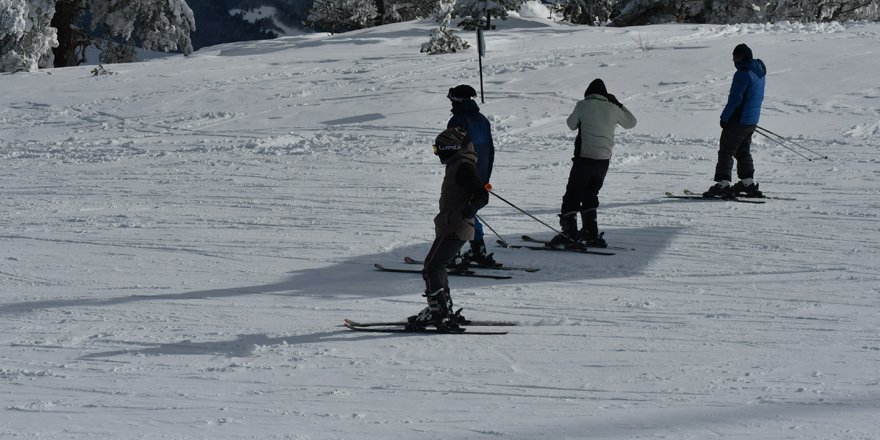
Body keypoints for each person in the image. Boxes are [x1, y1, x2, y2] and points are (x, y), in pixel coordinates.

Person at [407, 126, 489, 331]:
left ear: (450, 147)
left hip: (455, 225)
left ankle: (439, 313)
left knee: (431, 267)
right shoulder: (459, 164)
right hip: (452, 224)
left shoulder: (463, 166)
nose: (437, 154)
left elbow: (481, 194)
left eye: (438, 149)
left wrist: (471, 209)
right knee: (437, 266)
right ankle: (443, 309)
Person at [550, 78, 637, 248]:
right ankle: (590, 232)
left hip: (584, 159)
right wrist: (619, 104)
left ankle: (569, 234)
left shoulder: (583, 105)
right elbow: (631, 123)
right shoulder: (613, 107)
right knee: (591, 194)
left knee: (573, 194)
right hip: (603, 162)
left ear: (588, 93)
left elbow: (570, 125)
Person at [704, 43, 766, 198]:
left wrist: (725, 118)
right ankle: (747, 183)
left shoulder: (743, 74)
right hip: (750, 120)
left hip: (738, 120)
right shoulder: (758, 72)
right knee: (742, 151)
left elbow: (735, 99)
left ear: (744, 57)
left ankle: (723, 185)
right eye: (733, 56)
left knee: (726, 150)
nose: (734, 60)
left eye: (736, 56)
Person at [445, 84, 498, 267]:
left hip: (462, 171)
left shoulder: (458, 120)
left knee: (455, 210)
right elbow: (490, 149)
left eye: (451, 98)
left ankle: (452, 253)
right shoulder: (482, 119)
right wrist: (485, 177)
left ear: (457, 99)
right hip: (480, 172)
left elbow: (450, 149)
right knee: (469, 210)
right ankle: (478, 250)